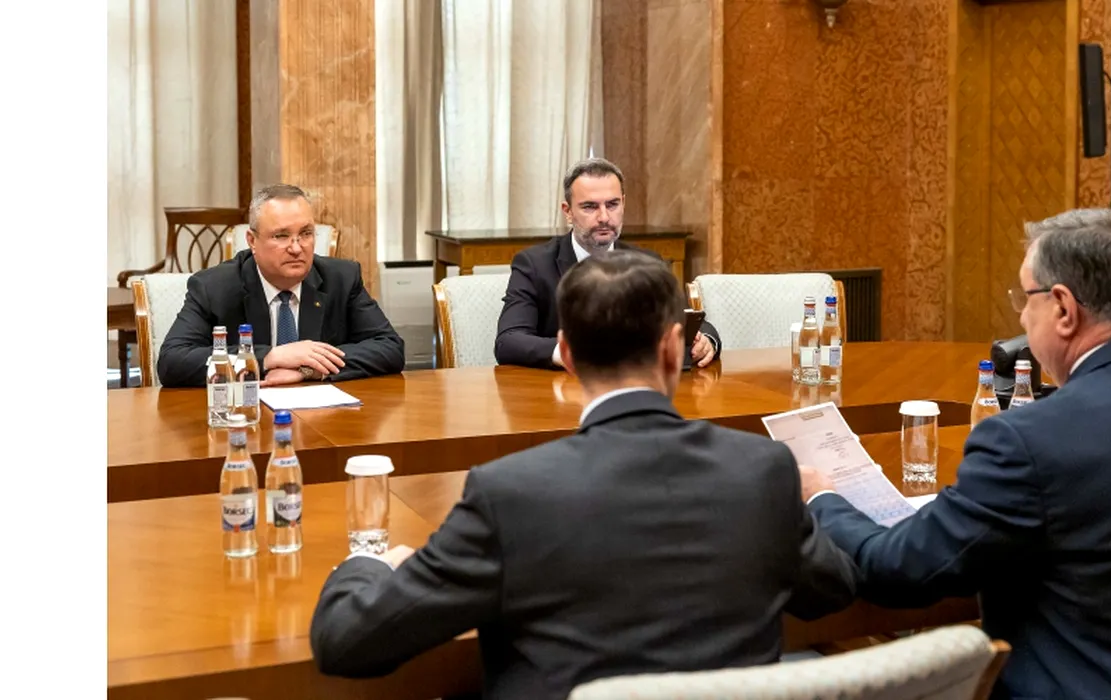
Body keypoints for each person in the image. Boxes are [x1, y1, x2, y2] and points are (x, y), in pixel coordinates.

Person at [311, 250, 857, 700]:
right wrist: (818, 502)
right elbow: (832, 591)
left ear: (567, 355)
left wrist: (365, 563)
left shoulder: (510, 493)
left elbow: (347, 642)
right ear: (674, 349)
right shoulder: (763, 470)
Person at [800, 208, 1111, 700]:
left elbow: (899, 569)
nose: (1021, 316)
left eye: (1025, 297)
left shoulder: (1031, 441)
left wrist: (822, 498)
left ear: (1063, 309)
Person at [156, 184, 405, 387]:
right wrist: (268, 357)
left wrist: (308, 369)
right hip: (246, 415)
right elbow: (173, 361)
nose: (296, 248)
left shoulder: (341, 278)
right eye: (281, 236)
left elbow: (390, 348)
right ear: (252, 241)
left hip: (325, 416)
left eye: (306, 234)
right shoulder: (214, 287)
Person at [494, 157, 723, 369]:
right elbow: (509, 341)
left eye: (612, 204)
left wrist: (707, 341)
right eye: (590, 207)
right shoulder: (534, 265)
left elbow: (689, 321)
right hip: (562, 389)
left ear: (623, 203)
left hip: (636, 386)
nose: (604, 217)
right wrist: (572, 352)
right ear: (568, 211)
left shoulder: (647, 263)